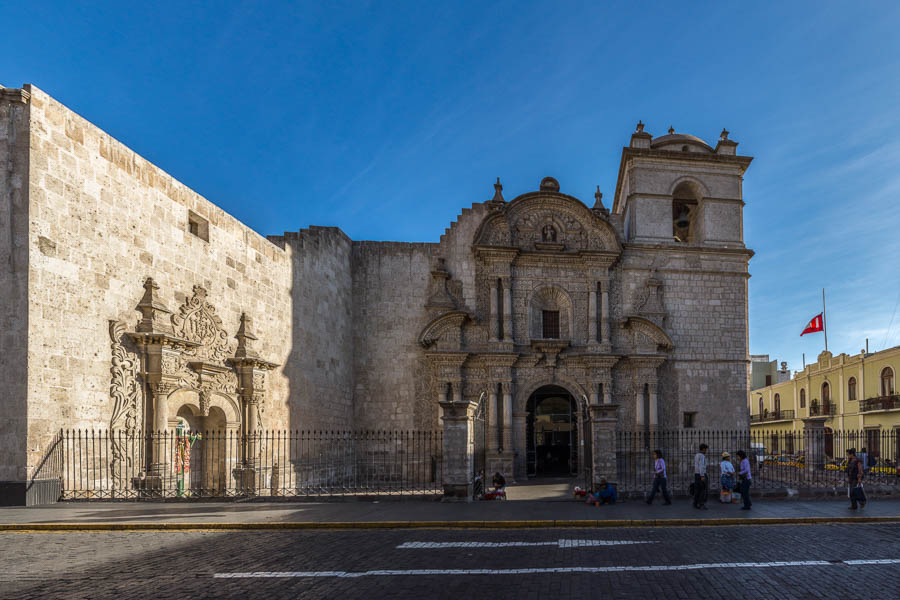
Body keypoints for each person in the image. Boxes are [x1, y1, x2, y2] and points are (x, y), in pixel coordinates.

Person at [693, 443, 709, 509]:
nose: (706, 451)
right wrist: (702, 476)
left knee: (697, 490)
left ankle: (695, 503)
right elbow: (701, 466)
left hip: (696, 474)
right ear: (703, 449)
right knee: (702, 490)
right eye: (705, 450)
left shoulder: (696, 455)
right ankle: (701, 504)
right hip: (701, 474)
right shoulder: (702, 456)